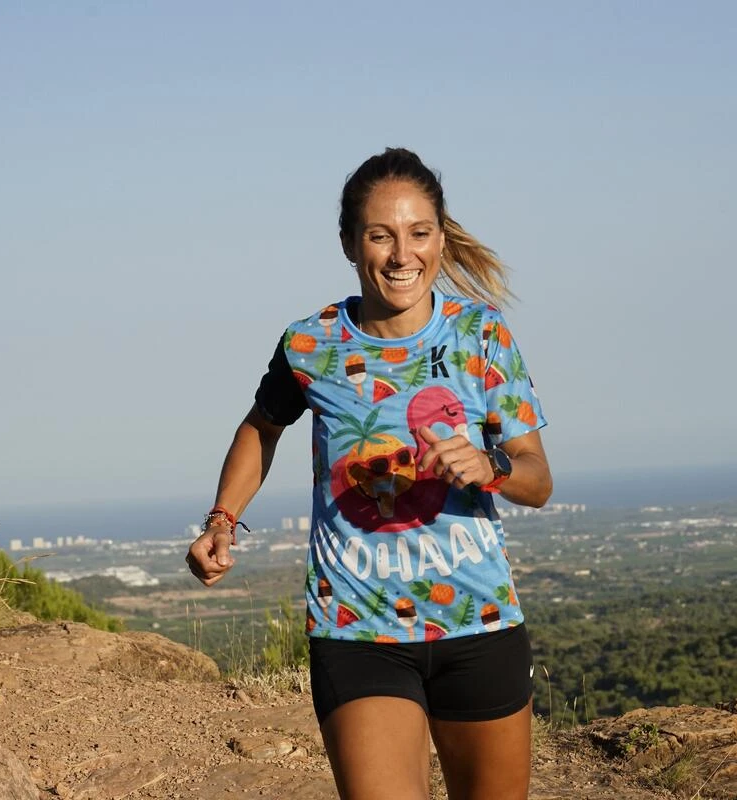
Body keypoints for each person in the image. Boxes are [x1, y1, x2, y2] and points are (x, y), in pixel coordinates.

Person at [187, 147, 552, 800]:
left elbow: (537, 479)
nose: (401, 254)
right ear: (350, 244)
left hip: (480, 623)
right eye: (380, 236)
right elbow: (261, 427)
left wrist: (489, 464)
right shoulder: (311, 344)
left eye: (418, 233)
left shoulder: (483, 336)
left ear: (440, 237)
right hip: (356, 627)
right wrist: (222, 519)